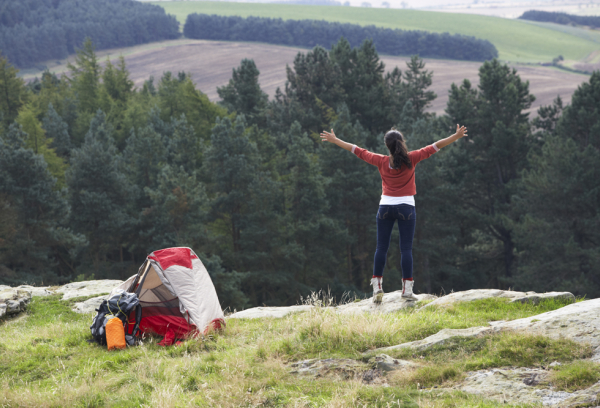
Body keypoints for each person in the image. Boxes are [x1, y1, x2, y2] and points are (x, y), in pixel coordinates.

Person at [320, 125, 468, 303]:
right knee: (406, 249)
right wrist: (456, 136)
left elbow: (356, 150)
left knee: (381, 248)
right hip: (406, 207)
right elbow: (436, 146)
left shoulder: (381, 161)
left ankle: (377, 288)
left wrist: (335, 140)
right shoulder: (412, 158)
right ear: (402, 143)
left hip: (385, 208)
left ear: (386, 145)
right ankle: (407, 290)